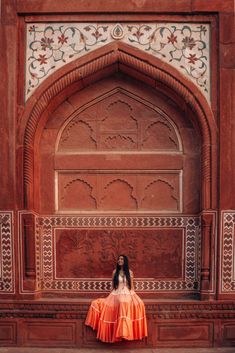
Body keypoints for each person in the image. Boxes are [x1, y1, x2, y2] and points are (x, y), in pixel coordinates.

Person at [85, 254, 148, 343]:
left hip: (127, 293)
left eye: (121, 259)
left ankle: (125, 332)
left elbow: (132, 287)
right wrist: (109, 297)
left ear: (125, 261)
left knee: (134, 303)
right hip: (117, 293)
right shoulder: (115, 272)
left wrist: (135, 297)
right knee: (114, 303)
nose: (119, 260)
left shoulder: (130, 272)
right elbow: (113, 286)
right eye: (119, 259)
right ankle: (122, 331)